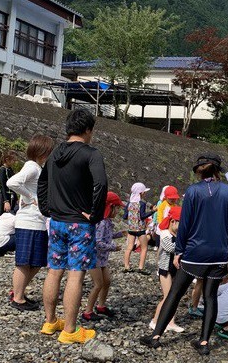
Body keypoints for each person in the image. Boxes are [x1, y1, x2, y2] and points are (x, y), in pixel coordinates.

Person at [141, 152, 228, 356]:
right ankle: (203, 342)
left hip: (195, 252)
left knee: (175, 293)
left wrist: (180, 250)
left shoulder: (193, 191)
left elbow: (184, 225)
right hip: (218, 252)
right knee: (210, 297)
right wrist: (227, 250)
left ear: (199, 171)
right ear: (218, 170)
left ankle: (156, 336)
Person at [38, 108, 108, 344]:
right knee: (76, 275)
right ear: (88, 130)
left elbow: (43, 181)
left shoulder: (55, 153)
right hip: (79, 223)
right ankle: (69, 330)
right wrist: (95, 215)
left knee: (54, 271)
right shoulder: (91, 153)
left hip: (56, 221)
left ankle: (50, 322)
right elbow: (101, 184)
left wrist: (46, 208)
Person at [6, 135, 55, 311]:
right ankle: (17, 297)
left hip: (37, 221)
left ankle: (17, 292)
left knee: (36, 261)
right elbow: (12, 182)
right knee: (25, 262)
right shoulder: (32, 167)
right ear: (42, 152)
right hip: (29, 221)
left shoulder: (37, 168)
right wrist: (30, 196)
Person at [81, 191, 125, 322]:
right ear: (110, 207)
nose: (117, 211)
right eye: (116, 208)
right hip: (94, 256)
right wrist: (113, 247)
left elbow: (106, 236)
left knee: (107, 281)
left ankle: (101, 306)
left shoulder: (106, 221)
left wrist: (120, 234)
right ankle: (87, 311)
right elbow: (98, 242)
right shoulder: (101, 222)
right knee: (98, 284)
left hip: (101, 258)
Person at [149, 205, 184, 333]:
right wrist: (184, 245)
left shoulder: (177, 234)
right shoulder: (164, 233)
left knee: (173, 296)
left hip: (174, 268)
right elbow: (170, 247)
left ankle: (170, 322)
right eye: (181, 222)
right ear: (173, 221)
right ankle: (155, 320)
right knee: (167, 296)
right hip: (165, 269)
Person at [123, 182, 153, 274]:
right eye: (144, 192)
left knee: (129, 247)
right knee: (144, 248)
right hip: (140, 229)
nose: (144, 193)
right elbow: (143, 216)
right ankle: (141, 267)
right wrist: (153, 211)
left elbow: (124, 216)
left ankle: (126, 266)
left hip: (131, 229)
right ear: (141, 193)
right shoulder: (142, 204)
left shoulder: (129, 204)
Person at [0, 150, 17, 217]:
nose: (14, 162)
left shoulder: (10, 169)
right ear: (7, 160)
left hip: (11, 197)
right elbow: (2, 186)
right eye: (13, 160)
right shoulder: (2, 170)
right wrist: (6, 201)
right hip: (3, 198)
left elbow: (13, 185)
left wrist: (16, 198)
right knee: (2, 218)